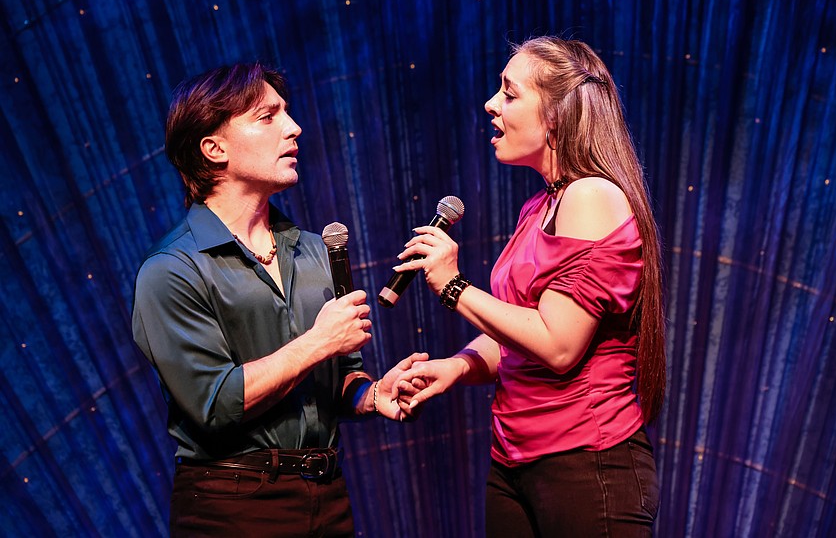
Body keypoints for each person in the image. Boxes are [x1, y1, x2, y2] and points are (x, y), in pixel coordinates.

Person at [132, 63, 425, 536]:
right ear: (214, 147)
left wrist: (369, 394)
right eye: (268, 117)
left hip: (326, 494)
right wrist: (318, 342)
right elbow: (215, 403)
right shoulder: (172, 269)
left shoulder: (314, 249)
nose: (294, 128)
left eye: (286, 113)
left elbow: (342, 370)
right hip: (233, 502)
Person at [392, 36, 666, 537]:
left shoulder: (591, 196)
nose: (491, 104)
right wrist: (458, 366)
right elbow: (518, 334)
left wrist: (453, 286)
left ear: (557, 115)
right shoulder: (539, 208)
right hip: (515, 459)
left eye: (509, 93)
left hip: (585, 463)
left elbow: (557, 345)